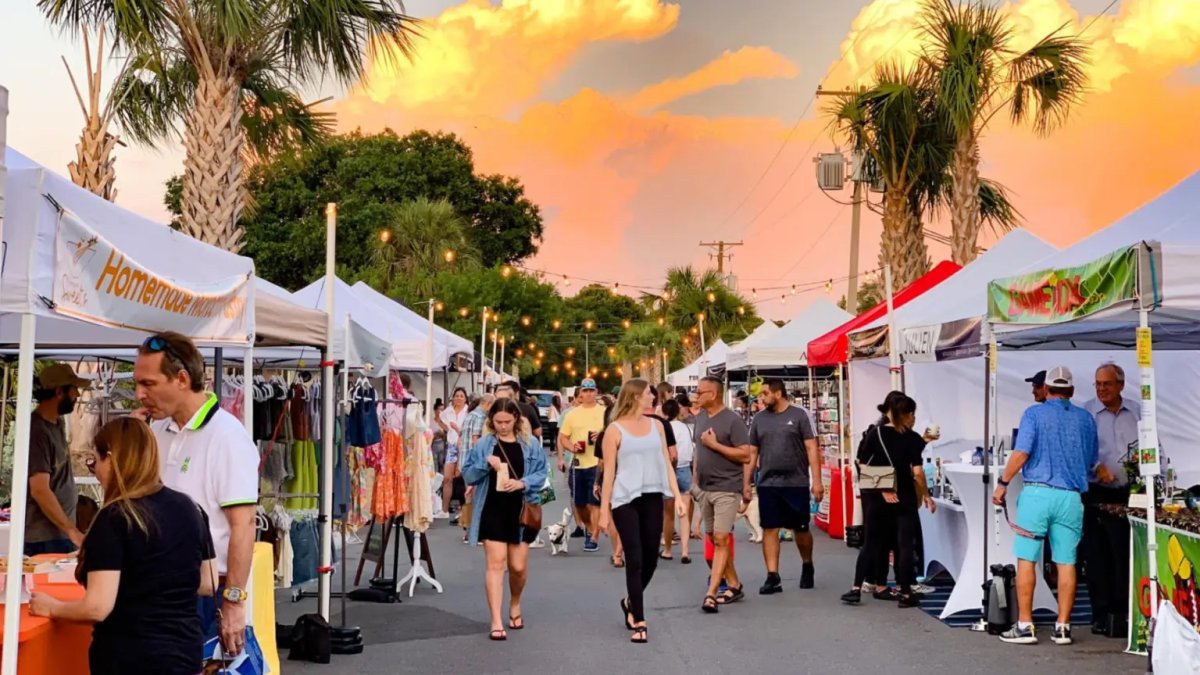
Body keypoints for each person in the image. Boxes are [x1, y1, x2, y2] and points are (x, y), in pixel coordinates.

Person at [30, 417, 216, 675]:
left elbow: (97, 606)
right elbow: (207, 582)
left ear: (112, 458)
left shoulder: (115, 517)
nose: (95, 471)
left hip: (130, 657)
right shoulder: (191, 508)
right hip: (185, 653)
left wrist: (52, 607)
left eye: (95, 461)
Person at [133, 332, 258, 658]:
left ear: (182, 379)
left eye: (148, 383)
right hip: (163, 586)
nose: (139, 394)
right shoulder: (156, 430)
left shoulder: (228, 436)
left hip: (208, 592)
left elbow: (243, 526)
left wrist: (233, 603)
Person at [992, 366, 1097, 646]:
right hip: (1071, 497)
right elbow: (1090, 459)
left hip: (1038, 494)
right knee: (1066, 561)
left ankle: (1025, 625)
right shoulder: (1086, 419)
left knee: (1027, 558)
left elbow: (1022, 452)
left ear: (1047, 389)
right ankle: (1062, 626)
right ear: (1071, 391)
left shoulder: (1033, 414)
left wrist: (1003, 483)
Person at [599, 380, 685, 644]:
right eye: (650, 394)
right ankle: (640, 619)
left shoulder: (658, 425)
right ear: (637, 396)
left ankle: (629, 602)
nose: (654, 398)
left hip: (652, 495)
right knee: (634, 557)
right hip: (625, 498)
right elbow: (608, 473)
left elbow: (667, 464)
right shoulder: (613, 430)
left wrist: (678, 496)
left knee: (651, 557)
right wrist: (604, 511)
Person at [461, 399, 548, 641]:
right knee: (496, 564)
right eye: (497, 422)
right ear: (491, 421)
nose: (502, 426)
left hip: (521, 509)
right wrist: (485, 465)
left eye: (507, 422)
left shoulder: (530, 444)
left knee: (518, 567)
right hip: (492, 508)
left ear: (516, 419)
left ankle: (515, 602)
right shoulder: (485, 444)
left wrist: (523, 482)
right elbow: (468, 473)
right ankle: (496, 621)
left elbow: (542, 472)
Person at [842, 394, 935, 608]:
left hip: (878, 497)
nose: (913, 418)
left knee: (871, 543)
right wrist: (927, 495)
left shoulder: (875, 435)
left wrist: (883, 487)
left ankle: (856, 587)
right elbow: (918, 472)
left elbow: (862, 464)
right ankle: (904, 592)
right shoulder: (911, 438)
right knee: (904, 544)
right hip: (904, 496)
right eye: (911, 413)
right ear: (903, 414)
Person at [749, 379, 822, 594]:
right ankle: (773, 576)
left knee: (800, 528)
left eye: (764, 393)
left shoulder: (800, 415)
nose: (761, 398)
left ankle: (807, 564)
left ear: (778, 393)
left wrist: (816, 481)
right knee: (770, 527)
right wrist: (746, 482)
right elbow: (752, 452)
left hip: (796, 482)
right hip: (768, 482)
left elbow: (811, 448)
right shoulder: (759, 419)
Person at [1082, 362, 1137, 638]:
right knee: (1098, 555)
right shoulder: (1087, 413)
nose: (1102, 389)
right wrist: (1094, 467)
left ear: (1121, 385)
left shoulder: (1137, 412)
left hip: (1130, 492)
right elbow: (1078, 451)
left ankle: (1123, 612)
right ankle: (1101, 614)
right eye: (1098, 384)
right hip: (1096, 493)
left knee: (1125, 553)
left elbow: (1153, 446)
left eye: (1107, 384)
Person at [693, 376, 754, 613]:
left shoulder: (733, 421)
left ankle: (711, 593)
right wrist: (695, 481)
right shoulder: (700, 417)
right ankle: (734, 583)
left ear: (714, 394)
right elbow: (699, 450)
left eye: (701, 392)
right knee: (714, 538)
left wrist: (715, 445)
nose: (697, 396)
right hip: (705, 488)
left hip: (727, 487)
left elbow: (746, 455)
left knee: (720, 538)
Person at [26, 364, 88, 555]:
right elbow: (39, 489)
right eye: (73, 389)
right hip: (44, 539)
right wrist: (71, 530)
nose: (77, 394)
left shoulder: (57, 423)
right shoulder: (37, 430)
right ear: (59, 392)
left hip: (58, 535)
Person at [557, 378, 607, 553]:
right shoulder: (572, 414)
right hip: (577, 463)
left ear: (596, 392)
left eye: (591, 391)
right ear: (580, 394)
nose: (588, 394)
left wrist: (600, 436)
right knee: (579, 503)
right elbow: (563, 437)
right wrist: (572, 447)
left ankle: (593, 536)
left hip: (598, 463)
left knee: (594, 502)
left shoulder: (605, 412)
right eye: (585, 391)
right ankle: (588, 527)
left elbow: (614, 432)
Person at [661, 399, 695, 563]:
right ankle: (685, 550)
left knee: (668, 515)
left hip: (668, 469)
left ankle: (667, 549)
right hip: (685, 469)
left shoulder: (662, 428)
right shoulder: (685, 428)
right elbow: (691, 449)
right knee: (684, 514)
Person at [439, 387, 470, 519]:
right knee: (447, 478)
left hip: (464, 446)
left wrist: (457, 430)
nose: (458, 398)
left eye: (461, 396)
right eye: (456, 395)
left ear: (465, 398)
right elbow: (440, 418)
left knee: (465, 478)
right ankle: (444, 510)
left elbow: (468, 432)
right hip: (452, 446)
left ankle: (465, 511)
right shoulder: (448, 411)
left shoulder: (468, 411)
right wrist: (446, 429)